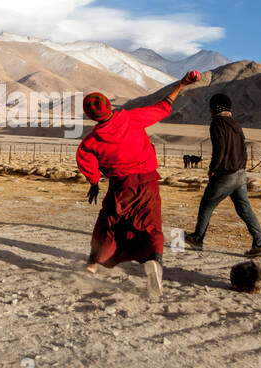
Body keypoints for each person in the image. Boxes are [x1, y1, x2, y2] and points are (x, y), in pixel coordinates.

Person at [75, 71, 200, 299]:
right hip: (148, 182)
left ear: (90, 116)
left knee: (108, 226)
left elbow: (84, 158)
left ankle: (91, 266)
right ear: (108, 107)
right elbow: (163, 106)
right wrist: (181, 84)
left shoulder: (92, 140)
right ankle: (154, 261)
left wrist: (94, 182)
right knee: (151, 226)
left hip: (120, 187)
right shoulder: (130, 118)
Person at [184, 93, 261, 257]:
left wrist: (213, 168)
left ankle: (197, 239)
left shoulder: (217, 124)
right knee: (245, 209)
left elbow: (220, 148)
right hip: (240, 173)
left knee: (207, 204)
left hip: (225, 173)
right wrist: (242, 168)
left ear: (216, 108)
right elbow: (244, 149)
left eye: (210, 108)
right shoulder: (236, 125)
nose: (209, 111)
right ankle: (260, 244)